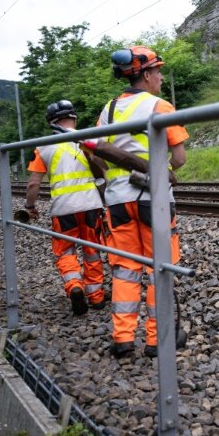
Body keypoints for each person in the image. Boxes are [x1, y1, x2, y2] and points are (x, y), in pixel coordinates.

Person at [85, 45, 189, 359]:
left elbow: (93, 150)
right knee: (160, 266)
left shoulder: (109, 109)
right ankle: (158, 340)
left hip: (118, 201)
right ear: (145, 74)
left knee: (125, 269)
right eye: (157, 71)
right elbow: (180, 159)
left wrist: (114, 175)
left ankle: (122, 338)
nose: (160, 77)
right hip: (152, 199)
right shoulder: (160, 106)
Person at [25, 100, 106, 315]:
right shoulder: (87, 139)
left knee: (66, 251)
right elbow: (103, 167)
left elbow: (33, 183)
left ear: (51, 121)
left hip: (63, 209)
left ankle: (75, 286)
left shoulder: (43, 146)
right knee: (92, 249)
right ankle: (96, 297)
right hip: (91, 205)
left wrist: (30, 206)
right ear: (74, 117)